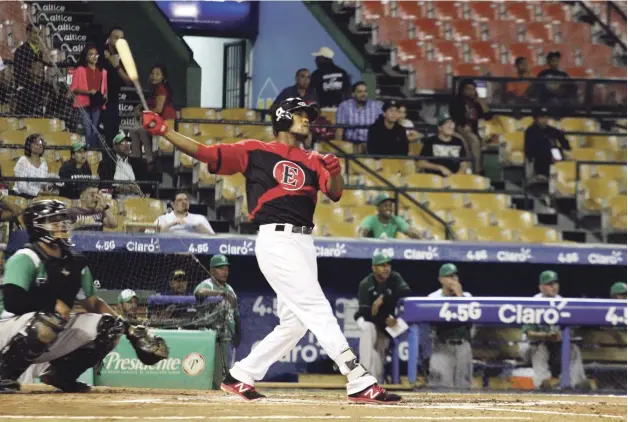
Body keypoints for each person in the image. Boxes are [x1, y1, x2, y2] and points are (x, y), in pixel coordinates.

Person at [141, 97, 400, 403]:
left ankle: (241, 375)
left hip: (304, 243)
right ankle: (357, 376)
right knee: (317, 308)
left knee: (295, 323)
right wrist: (165, 132)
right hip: (276, 240)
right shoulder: (255, 151)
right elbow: (207, 153)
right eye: (301, 114)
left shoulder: (313, 159)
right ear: (283, 117)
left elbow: (335, 191)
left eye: (307, 114)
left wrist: (336, 169)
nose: (307, 119)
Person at [0, 200, 168, 393]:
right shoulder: (26, 257)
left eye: (63, 221)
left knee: (110, 326)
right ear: (38, 227)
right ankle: (4, 375)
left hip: (48, 329)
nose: (62, 226)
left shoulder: (73, 262)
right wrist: (53, 304)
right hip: (8, 331)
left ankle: (62, 375)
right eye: (54, 221)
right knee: (50, 318)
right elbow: (13, 302)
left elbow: (93, 304)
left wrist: (129, 330)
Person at [521, 270, 588, 391]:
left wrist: (562, 336)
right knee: (539, 347)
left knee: (573, 348)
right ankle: (542, 383)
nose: (554, 287)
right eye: (549, 284)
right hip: (530, 349)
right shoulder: (533, 303)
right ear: (541, 287)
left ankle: (576, 383)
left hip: (554, 348)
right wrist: (547, 336)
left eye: (555, 283)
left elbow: (571, 330)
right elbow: (529, 334)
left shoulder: (562, 302)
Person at [355, 254, 411, 384]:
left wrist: (383, 299)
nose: (386, 268)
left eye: (388, 265)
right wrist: (384, 319)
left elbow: (406, 292)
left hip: (386, 323)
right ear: (374, 268)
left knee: (378, 359)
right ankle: (364, 379)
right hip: (368, 319)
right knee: (368, 329)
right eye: (382, 265)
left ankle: (375, 381)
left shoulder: (394, 278)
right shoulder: (366, 284)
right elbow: (365, 312)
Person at [194, 254, 241, 389]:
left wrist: (238, 332)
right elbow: (199, 292)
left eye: (226, 268)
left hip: (225, 337)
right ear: (212, 270)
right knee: (207, 371)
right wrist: (219, 294)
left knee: (223, 374)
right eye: (220, 268)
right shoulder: (207, 284)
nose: (224, 271)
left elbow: (235, 313)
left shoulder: (230, 289)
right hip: (208, 336)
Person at [427, 263, 474, 389]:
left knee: (464, 386)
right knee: (439, 386)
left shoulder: (467, 296)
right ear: (441, 279)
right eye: (449, 276)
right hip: (442, 346)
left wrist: (460, 296)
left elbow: (471, 321)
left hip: (463, 346)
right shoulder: (433, 297)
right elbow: (431, 322)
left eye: (455, 276)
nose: (453, 279)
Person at [130, 64, 174, 165]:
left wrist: (142, 113)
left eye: (158, 74)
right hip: (155, 121)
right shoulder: (154, 89)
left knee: (142, 130)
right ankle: (137, 159)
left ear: (163, 77)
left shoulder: (161, 89)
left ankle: (150, 160)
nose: (154, 76)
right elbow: (149, 102)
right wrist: (139, 107)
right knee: (133, 131)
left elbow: (158, 109)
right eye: (152, 74)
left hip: (164, 121)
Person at [99, 27, 132, 145]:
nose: (119, 41)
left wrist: (117, 66)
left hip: (113, 99)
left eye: (121, 38)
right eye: (115, 37)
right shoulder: (100, 52)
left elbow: (129, 81)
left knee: (112, 131)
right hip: (97, 97)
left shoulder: (125, 56)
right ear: (109, 38)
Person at [449, 79, 490, 174]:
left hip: (473, 130)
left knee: (473, 141)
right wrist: (465, 125)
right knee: (474, 140)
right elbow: (456, 117)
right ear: (463, 90)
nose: (472, 91)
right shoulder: (456, 100)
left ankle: (471, 170)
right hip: (459, 128)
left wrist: (482, 104)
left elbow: (488, 117)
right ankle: (477, 170)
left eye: (473, 89)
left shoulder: (476, 103)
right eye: (469, 89)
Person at [70, 45, 107, 148]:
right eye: (91, 54)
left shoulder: (103, 72)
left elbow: (105, 88)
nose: (94, 56)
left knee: (94, 129)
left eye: (96, 54)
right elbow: (73, 88)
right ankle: (89, 148)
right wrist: (88, 92)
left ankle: (92, 149)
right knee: (87, 128)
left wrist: (105, 95)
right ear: (86, 57)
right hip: (83, 103)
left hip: (97, 103)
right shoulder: (79, 70)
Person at [97, 131, 152, 197]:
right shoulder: (106, 164)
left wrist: (137, 188)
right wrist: (117, 189)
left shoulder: (139, 163)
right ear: (115, 146)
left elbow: (147, 185)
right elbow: (103, 185)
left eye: (128, 142)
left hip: (135, 198)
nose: (127, 145)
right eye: (122, 142)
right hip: (114, 198)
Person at [524, 107, 571, 181]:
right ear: (536, 118)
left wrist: (563, 138)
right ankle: (541, 174)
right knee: (544, 148)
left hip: (552, 154)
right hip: (538, 156)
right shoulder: (530, 131)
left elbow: (565, 143)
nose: (545, 120)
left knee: (557, 150)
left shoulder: (551, 130)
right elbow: (529, 149)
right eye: (542, 117)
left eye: (546, 117)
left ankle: (558, 173)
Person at [335, 82, 382, 152]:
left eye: (365, 91)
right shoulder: (344, 106)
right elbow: (339, 130)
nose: (363, 94)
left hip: (370, 143)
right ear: (353, 94)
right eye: (360, 92)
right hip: (351, 143)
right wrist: (337, 149)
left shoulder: (375, 106)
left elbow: (382, 126)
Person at [13, 133, 57, 198]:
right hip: (21, 197)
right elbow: (22, 187)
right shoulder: (22, 161)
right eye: (36, 144)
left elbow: (43, 184)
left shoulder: (43, 162)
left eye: (41, 143)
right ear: (29, 145)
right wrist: (39, 192)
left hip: (38, 196)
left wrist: (52, 183)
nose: (40, 145)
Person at [13, 24, 51, 89]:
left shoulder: (40, 50)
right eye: (35, 33)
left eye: (40, 33)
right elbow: (20, 72)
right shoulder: (21, 50)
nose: (38, 36)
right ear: (28, 34)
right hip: (26, 89)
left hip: (39, 88)